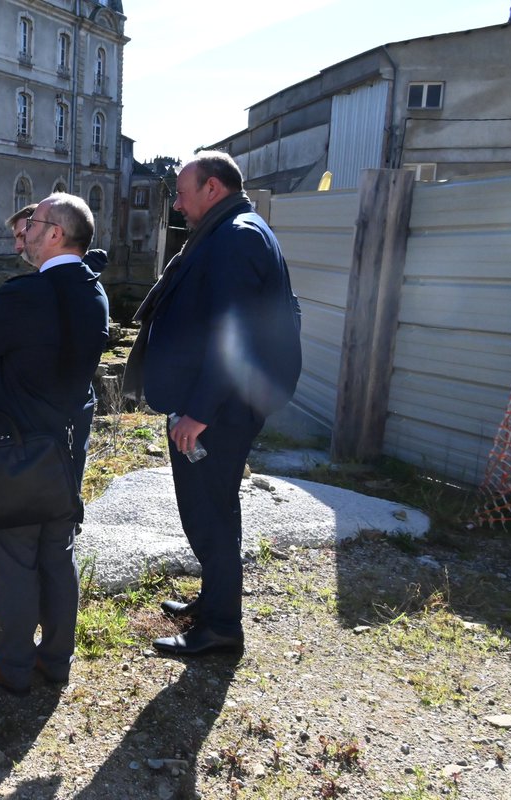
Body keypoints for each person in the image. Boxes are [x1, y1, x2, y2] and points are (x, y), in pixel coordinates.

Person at [125, 151, 301, 657]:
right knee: (210, 509)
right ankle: (214, 598)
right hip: (216, 401)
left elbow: (236, 333)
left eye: (182, 192)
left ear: (213, 189)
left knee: (210, 514)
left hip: (218, 410)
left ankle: (222, 626)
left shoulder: (238, 237)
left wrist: (199, 412)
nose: (176, 204)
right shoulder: (233, 229)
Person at [0, 193, 110, 695]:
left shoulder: (27, 294)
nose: (24, 231)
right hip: (65, 447)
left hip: (14, 449)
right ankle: (56, 661)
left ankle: (15, 665)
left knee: (13, 558)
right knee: (58, 554)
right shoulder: (94, 292)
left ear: (55, 232)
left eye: (32, 222)